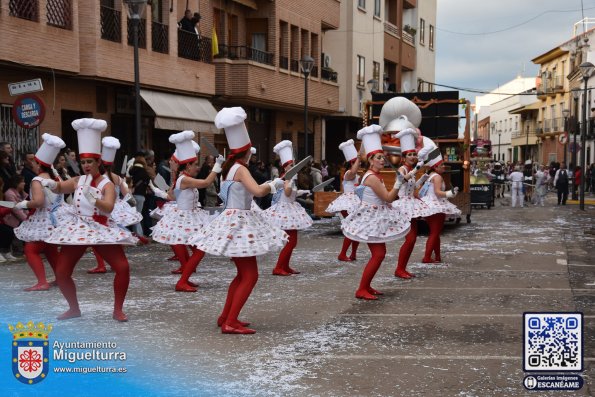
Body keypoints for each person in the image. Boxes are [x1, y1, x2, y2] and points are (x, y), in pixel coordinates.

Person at [189, 107, 287, 334]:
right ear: (247, 152)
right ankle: (230, 321)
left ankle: (226, 316)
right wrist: (275, 184)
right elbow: (258, 191)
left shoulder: (228, 169)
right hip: (240, 222)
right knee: (250, 275)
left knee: (243, 274)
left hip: (233, 221)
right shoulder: (240, 169)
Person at [42, 118, 137, 322]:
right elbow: (60, 188)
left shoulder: (106, 184)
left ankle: (118, 309)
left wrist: (93, 198)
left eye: (89, 162)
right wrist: (48, 183)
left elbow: (109, 208)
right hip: (79, 228)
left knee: (122, 267)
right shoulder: (78, 180)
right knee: (62, 272)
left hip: (101, 228)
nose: (86, 165)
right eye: (83, 162)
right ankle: (73, 308)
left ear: (98, 162)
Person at [341, 125, 409, 300]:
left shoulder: (375, 175)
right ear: (371, 160)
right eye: (379, 157)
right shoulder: (371, 177)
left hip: (375, 217)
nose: (382, 159)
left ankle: (366, 286)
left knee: (379, 254)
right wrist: (398, 184)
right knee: (378, 254)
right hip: (371, 218)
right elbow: (388, 198)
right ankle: (361, 289)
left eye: (382, 156)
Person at [151, 131, 221, 292]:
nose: (197, 167)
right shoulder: (185, 179)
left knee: (199, 250)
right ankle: (182, 280)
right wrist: (217, 167)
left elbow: (171, 194)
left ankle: (185, 278)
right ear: (188, 165)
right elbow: (205, 182)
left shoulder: (181, 178)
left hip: (191, 217)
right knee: (200, 250)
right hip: (185, 218)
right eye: (195, 164)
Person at [13, 134, 66, 291]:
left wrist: (22, 204)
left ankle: (42, 281)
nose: (33, 165)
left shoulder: (37, 180)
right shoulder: (54, 180)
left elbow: (38, 202)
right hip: (55, 219)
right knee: (50, 250)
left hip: (42, 219)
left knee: (30, 250)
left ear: (38, 164)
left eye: (34, 162)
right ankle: (60, 278)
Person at [87, 137, 143, 274]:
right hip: (116, 209)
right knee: (116, 236)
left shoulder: (98, 178)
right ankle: (115, 262)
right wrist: (130, 205)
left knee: (96, 238)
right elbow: (128, 196)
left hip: (102, 209)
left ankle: (101, 265)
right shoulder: (117, 177)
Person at [263, 140, 313, 276]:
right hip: (285, 212)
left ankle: (285, 266)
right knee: (291, 242)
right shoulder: (286, 178)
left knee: (292, 242)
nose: (294, 167)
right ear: (285, 167)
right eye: (291, 165)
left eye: (294, 165)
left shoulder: (289, 178)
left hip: (290, 209)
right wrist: (290, 182)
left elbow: (292, 194)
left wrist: (303, 191)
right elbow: (287, 192)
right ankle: (278, 267)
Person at [391, 128, 433, 279]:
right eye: (410, 154)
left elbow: (414, 187)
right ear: (403, 157)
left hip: (411, 204)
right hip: (403, 206)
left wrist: (425, 175)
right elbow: (403, 179)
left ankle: (402, 268)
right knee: (410, 239)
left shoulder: (411, 169)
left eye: (414, 154)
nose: (413, 156)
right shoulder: (402, 169)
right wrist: (417, 169)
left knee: (412, 239)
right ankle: (399, 269)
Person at [419, 149, 461, 264]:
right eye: (441, 165)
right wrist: (449, 194)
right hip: (436, 206)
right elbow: (438, 192)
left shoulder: (430, 176)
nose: (444, 166)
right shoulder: (437, 177)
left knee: (435, 233)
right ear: (435, 167)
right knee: (435, 233)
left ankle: (437, 256)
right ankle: (427, 257)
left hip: (429, 205)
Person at [326, 139, 361, 261]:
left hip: (356, 202)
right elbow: (353, 171)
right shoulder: (348, 173)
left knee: (357, 229)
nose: (359, 163)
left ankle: (353, 254)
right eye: (356, 161)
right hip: (347, 203)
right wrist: (358, 158)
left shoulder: (357, 175)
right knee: (352, 228)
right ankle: (342, 254)